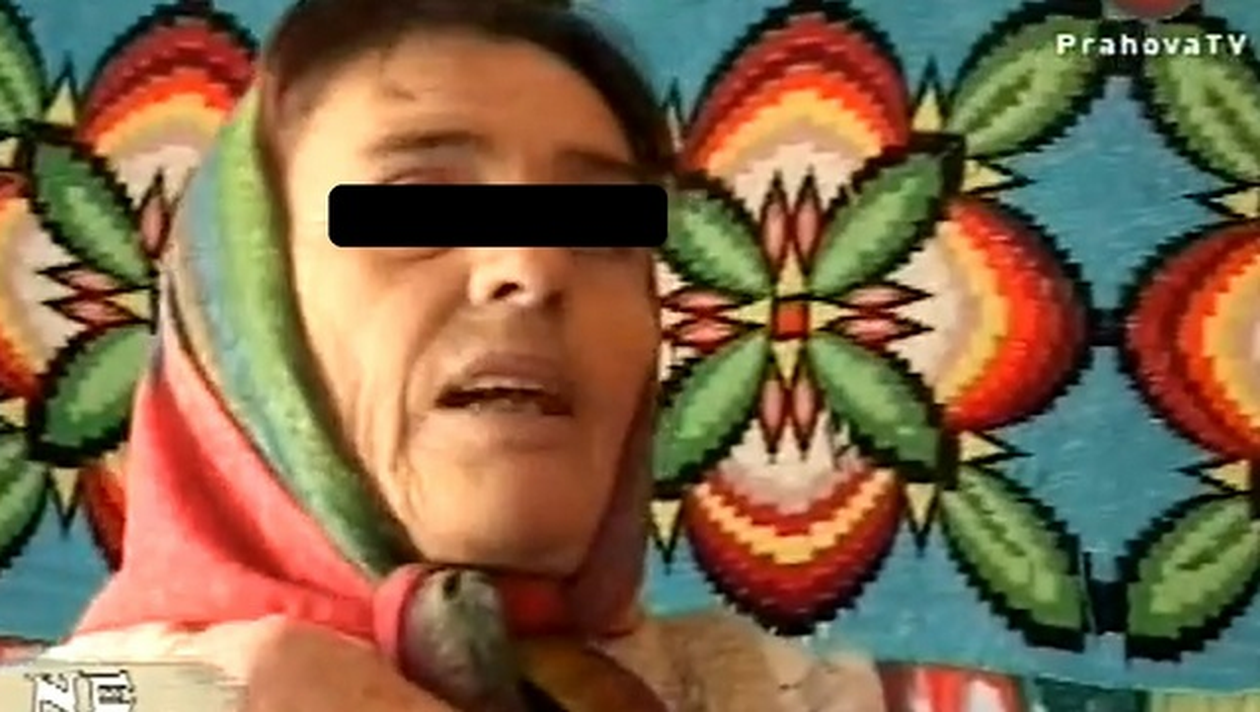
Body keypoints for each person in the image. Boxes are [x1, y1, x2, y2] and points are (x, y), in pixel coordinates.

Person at [42, 0, 885, 709]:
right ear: (242, 315)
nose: (531, 266)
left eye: (598, 226)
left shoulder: (768, 693)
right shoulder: (103, 693)